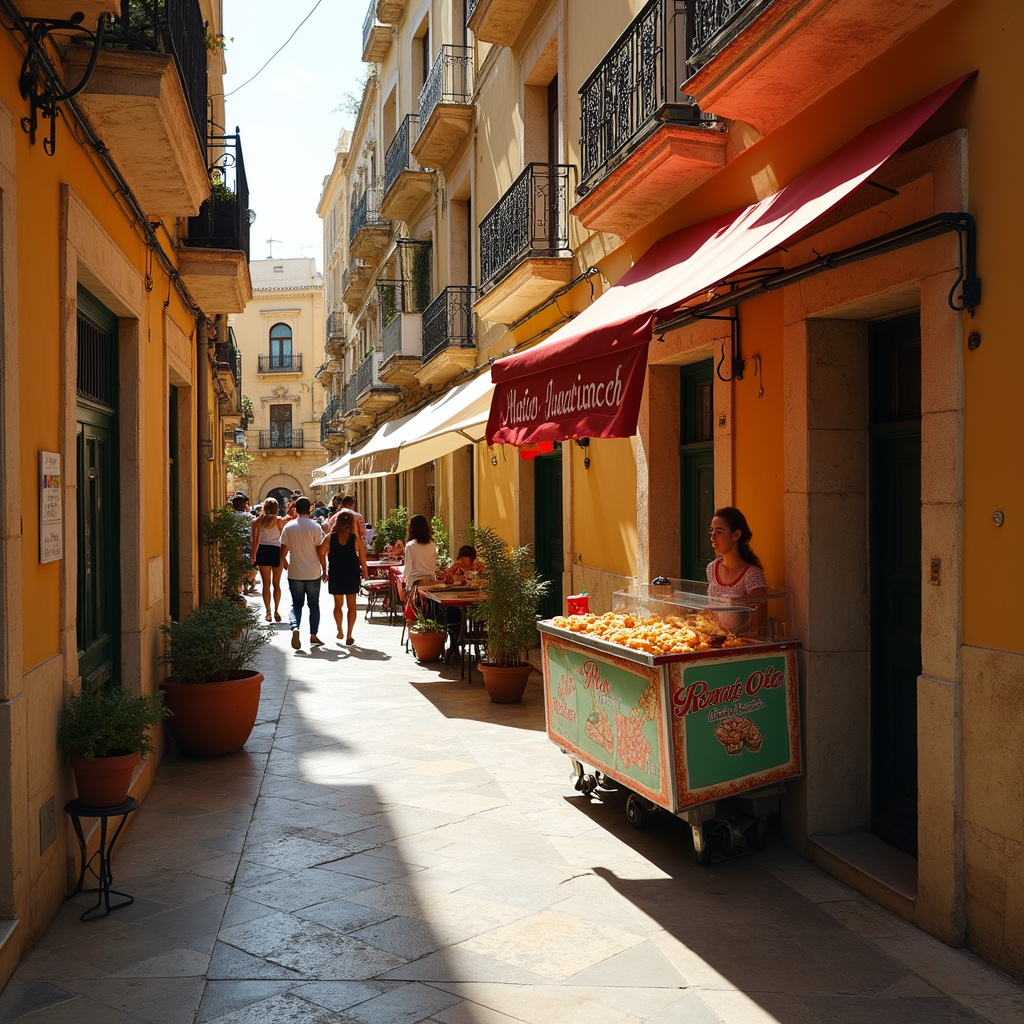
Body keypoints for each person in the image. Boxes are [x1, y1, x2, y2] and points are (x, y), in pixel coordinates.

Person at [706, 507, 767, 635]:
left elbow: (757, 623)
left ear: (736, 535)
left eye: (719, 532)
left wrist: (731, 637)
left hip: (740, 644)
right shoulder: (711, 568)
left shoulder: (752, 574)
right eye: (711, 532)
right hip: (713, 641)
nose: (712, 538)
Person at [280, 497, 326, 650]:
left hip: (295, 572)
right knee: (314, 605)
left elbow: (283, 549)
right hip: (313, 572)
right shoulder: (315, 527)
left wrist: (285, 562)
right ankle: (313, 635)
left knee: (296, 605)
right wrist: (325, 569)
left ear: (295, 509)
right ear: (310, 508)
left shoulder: (289, 527)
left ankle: (295, 627)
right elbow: (321, 551)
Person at [318, 510, 369, 645]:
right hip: (351, 574)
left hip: (336, 573)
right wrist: (365, 573)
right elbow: (363, 559)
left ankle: (339, 629)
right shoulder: (355, 539)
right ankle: (349, 634)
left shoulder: (330, 538)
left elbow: (321, 552)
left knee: (338, 605)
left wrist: (324, 569)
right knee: (352, 606)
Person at [251, 497, 286, 622]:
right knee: (276, 584)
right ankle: (276, 610)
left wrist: (253, 555)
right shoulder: (280, 520)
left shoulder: (257, 521)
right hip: (276, 551)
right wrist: (284, 556)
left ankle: (268, 612)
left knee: (266, 584)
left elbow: (255, 541)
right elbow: (284, 539)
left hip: (263, 551)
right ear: (277, 508)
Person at [403, 514, 437, 590]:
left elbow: (408, 569)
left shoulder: (410, 546)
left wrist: (406, 585)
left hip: (416, 583)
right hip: (430, 582)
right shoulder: (432, 545)